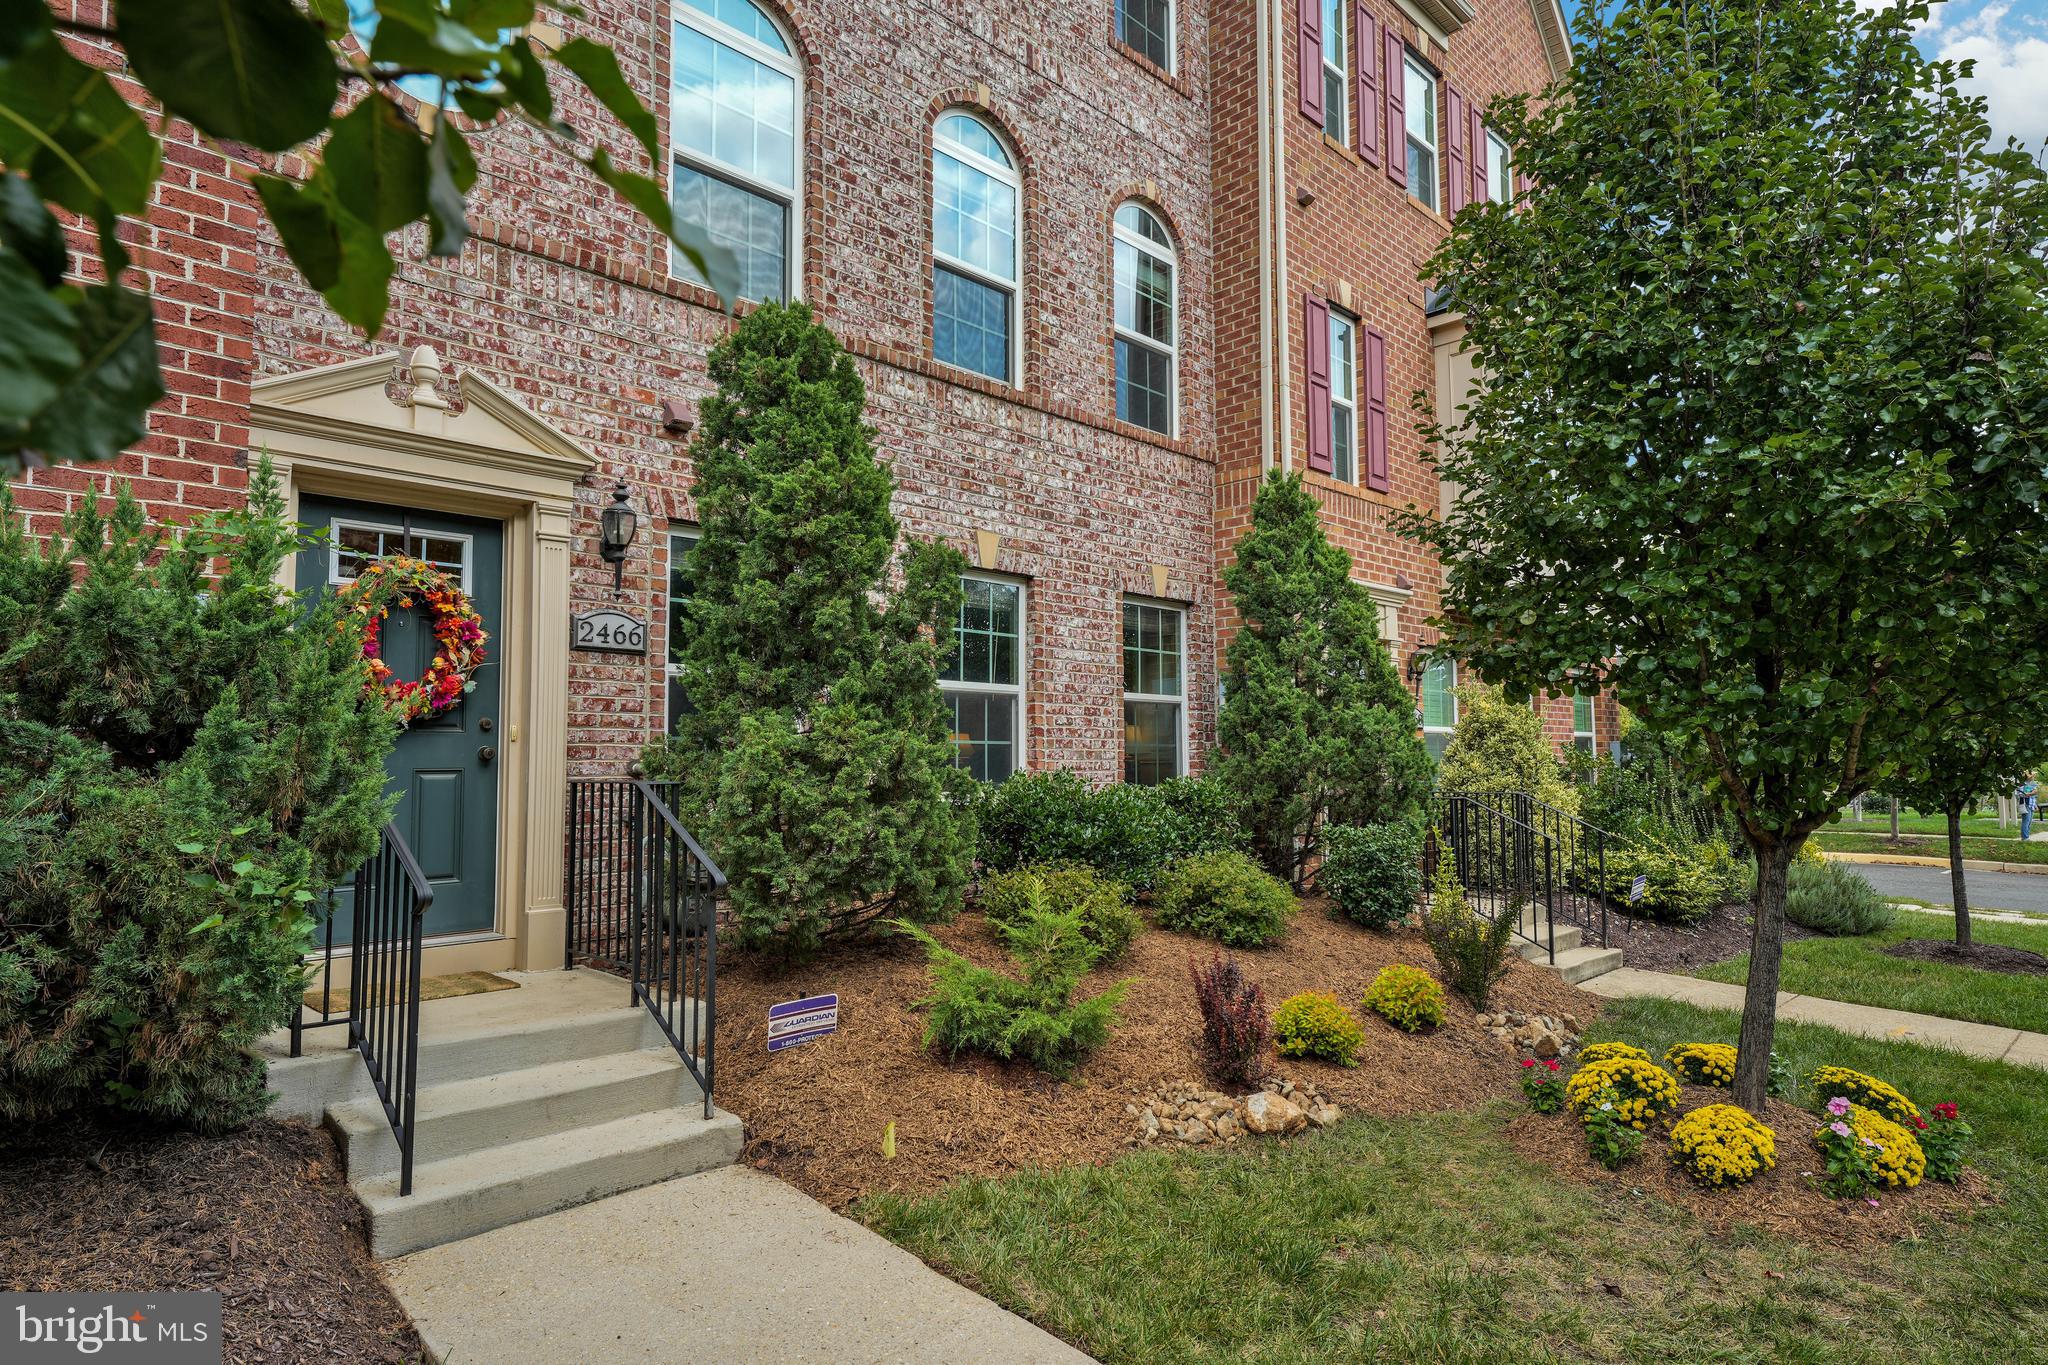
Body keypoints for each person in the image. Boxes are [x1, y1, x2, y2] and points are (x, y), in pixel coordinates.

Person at [2019, 776, 2040, 841]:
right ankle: (2025, 838)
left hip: (2031, 804)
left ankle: (2026, 837)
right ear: (2028, 777)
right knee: (2026, 821)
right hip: (2026, 804)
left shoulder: (2032, 784)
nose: (2033, 777)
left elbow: (2033, 796)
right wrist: (2031, 793)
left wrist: (2035, 805)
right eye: (2032, 776)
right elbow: (2021, 794)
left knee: (2029, 822)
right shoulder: (2022, 784)